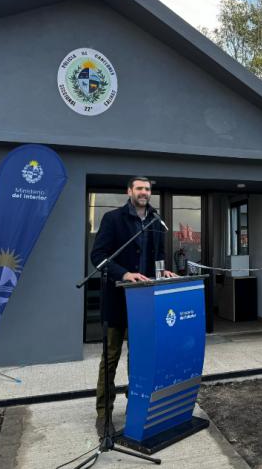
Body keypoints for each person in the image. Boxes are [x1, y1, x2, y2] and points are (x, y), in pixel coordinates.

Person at [90, 177, 176, 436]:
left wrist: (163, 272)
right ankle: (104, 415)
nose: (144, 193)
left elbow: (158, 256)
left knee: (139, 357)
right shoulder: (112, 219)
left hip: (145, 303)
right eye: (139, 188)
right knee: (111, 357)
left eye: (148, 189)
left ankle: (136, 408)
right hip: (118, 299)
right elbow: (97, 256)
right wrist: (124, 274)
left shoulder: (155, 221)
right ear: (129, 191)